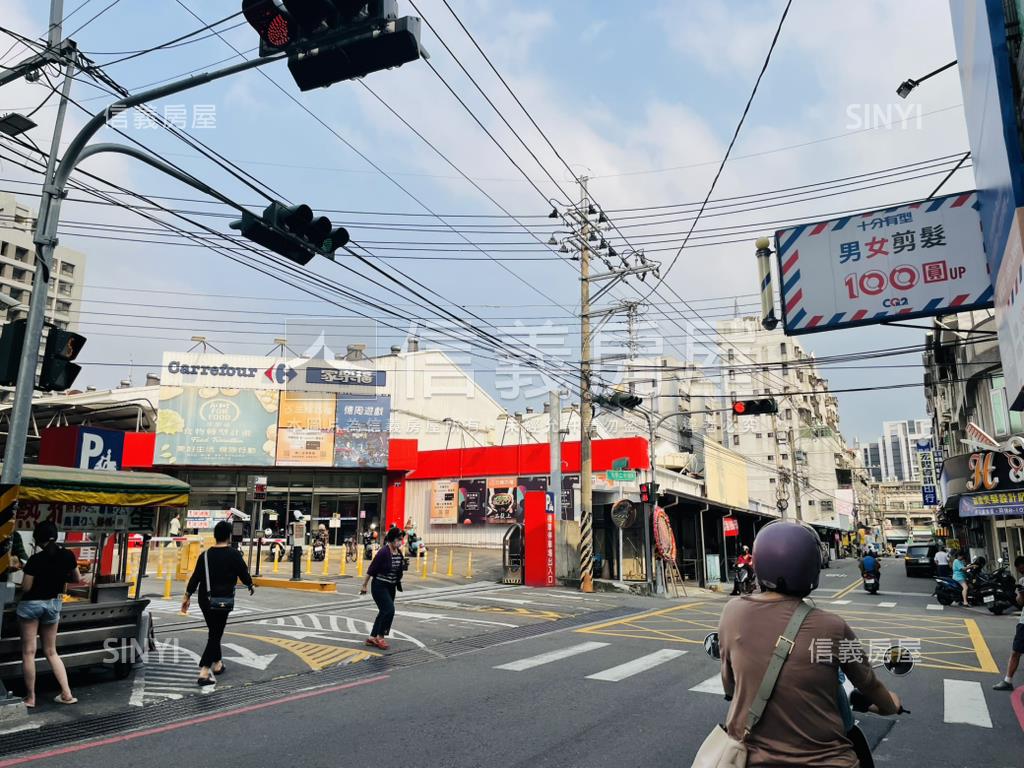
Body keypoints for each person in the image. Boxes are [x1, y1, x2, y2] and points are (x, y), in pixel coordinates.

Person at [716, 521, 900, 767]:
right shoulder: (833, 627)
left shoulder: (732, 612)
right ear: (812, 568)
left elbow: (729, 686)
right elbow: (869, 684)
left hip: (751, 759)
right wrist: (890, 705)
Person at [181, 520, 255, 686]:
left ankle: (218, 664)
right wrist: (250, 584)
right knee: (215, 634)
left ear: (214, 536)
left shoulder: (205, 555)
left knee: (214, 630)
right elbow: (243, 573)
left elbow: (195, 578)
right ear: (229, 536)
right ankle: (204, 672)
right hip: (222, 600)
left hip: (205, 600)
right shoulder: (234, 554)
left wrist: (187, 596)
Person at [17, 521, 81, 707]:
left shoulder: (35, 559)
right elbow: (76, 578)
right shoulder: (68, 555)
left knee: (29, 652)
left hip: (31, 606)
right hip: (54, 604)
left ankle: (30, 698)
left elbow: (26, 587)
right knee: (51, 652)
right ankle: (67, 694)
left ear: (38, 539)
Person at [359, 527, 406, 650]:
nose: (400, 541)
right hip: (379, 586)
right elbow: (372, 569)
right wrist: (364, 585)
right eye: (398, 539)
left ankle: (372, 637)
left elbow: (398, 569)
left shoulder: (399, 553)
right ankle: (380, 637)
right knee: (389, 610)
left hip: (391, 587)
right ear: (391, 539)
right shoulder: (383, 552)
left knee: (383, 611)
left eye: (401, 539)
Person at [994, 556, 1024, 691]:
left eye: (1020, 568)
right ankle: (1008, 681)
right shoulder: (1022, 581)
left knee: (1015, 652)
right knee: (1016, 651)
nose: (1020, 571)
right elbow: (1020, 603)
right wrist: (1021, 594)